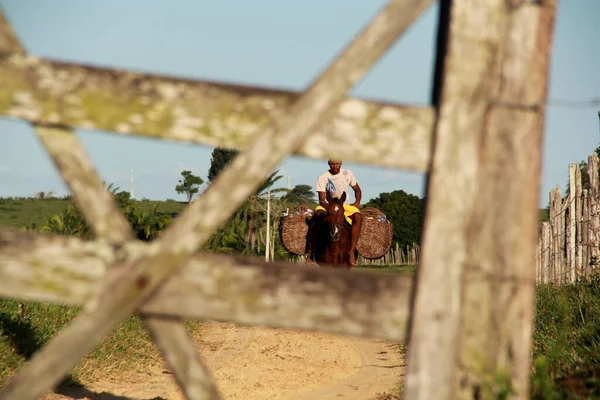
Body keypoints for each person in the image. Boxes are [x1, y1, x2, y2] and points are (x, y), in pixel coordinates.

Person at [306, 159, 363, 266]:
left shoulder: (347, 173)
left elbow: (357, 190)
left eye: (337, 164)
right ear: (329, 164)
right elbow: (322, 199)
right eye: (332, 164)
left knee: (358, 217)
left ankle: (351, 251)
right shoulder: (323, 177)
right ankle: (310, 252)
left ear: (341, 164)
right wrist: (332, 208)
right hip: (327, 206)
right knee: (316, 217)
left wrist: (357, 203)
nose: (335, 166)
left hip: (344, 206)